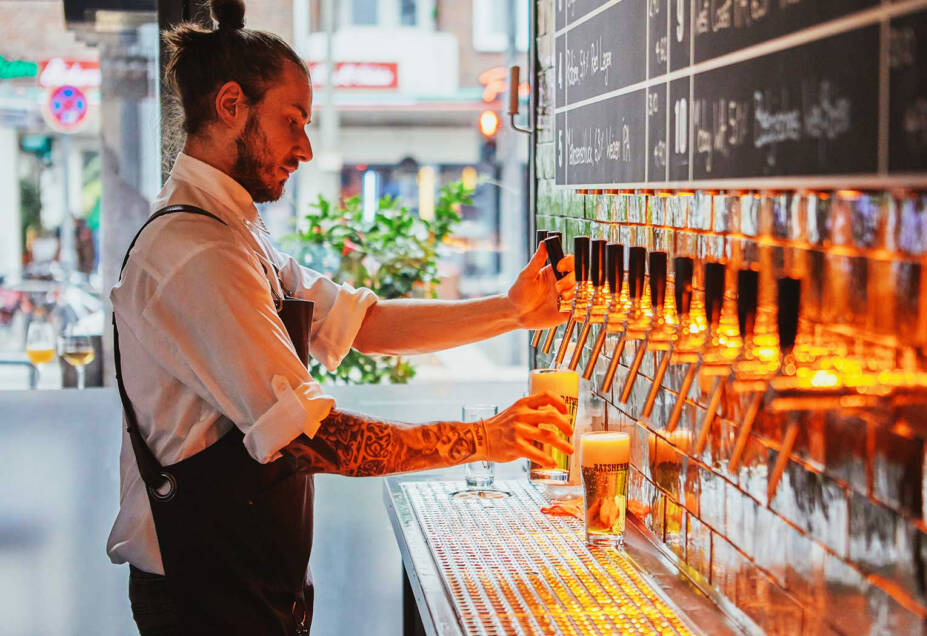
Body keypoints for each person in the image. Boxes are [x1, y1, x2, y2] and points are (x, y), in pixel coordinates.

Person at [107, 1, 576, 633]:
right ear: (230, 106)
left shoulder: (235, 233)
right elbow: (309, 439)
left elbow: (366, 325)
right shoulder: (195, 254)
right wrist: (483, 439)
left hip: (250, 577)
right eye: (292, 120)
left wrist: (513, 311)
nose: (303, 147)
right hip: (204, 597)